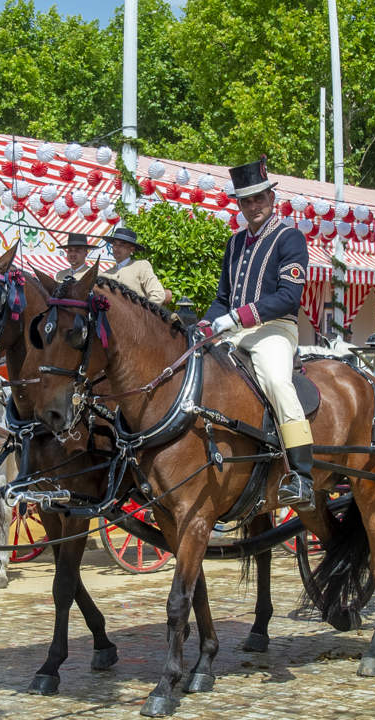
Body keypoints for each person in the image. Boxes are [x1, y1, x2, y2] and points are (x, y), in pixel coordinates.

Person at [200, 157, 315, 511]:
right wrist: (204, 326)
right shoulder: (234, 244)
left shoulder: (290, 238)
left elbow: (288, 297)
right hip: (234, 332)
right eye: (246, 201)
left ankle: (302, 476)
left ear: (271, 198)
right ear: (240, 205)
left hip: (274, 331)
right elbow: (222, 298)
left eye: (259, 198)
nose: (253, 206)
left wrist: (236, 316)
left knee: (279, 383)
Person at [99, 227, 174, 305]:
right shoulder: (105, 274)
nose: (116, 248)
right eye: (114, 244)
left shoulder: (141, 266)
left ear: (132, 249)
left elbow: (158, 295)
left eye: (122, 244)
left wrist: (145, 313)